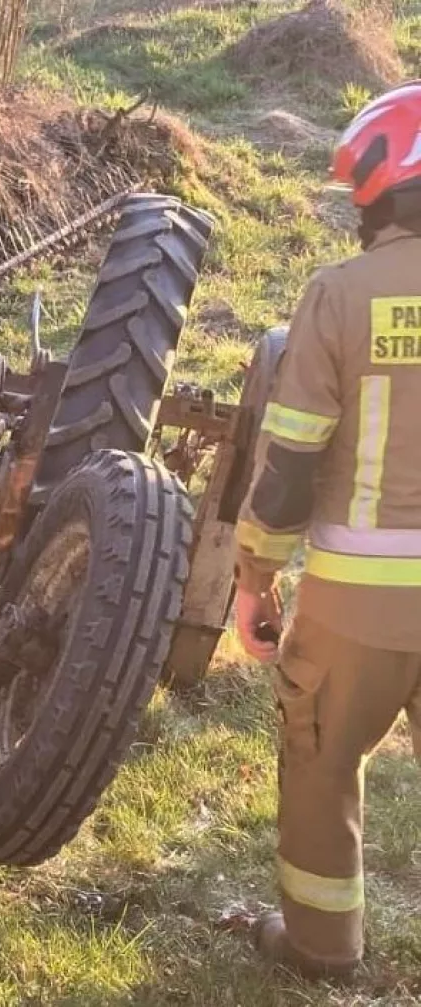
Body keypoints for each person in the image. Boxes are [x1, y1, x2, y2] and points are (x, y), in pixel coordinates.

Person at [232, 80, 421, 980]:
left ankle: (319, 948)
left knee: (319, 761)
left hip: (356, 611)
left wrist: (253, 578)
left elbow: (293, 465)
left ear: (382, 190)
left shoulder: (341, 296)